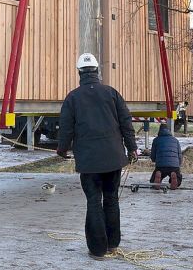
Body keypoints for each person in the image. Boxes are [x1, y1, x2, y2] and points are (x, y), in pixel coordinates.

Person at [57, 53, 139, 261]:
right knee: (111, 199)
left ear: (79, 73)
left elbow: (66, 128)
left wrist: (62, 149)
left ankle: (97, 250)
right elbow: (126, 123)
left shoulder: (72, 97)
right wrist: (132, 148)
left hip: (89, 161)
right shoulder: (111, 93)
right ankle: (112, 244)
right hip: (113, 158)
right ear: (97, 72)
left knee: (94, 201)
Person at [150, 122, 183, 190]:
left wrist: (153, 160)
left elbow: (153, 153)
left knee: (152, 181)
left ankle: (157, 177)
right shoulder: (175, 140)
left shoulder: (156, 140)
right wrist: (178, 163)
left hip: (161, 166)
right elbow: (179, 154)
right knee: (178, 179)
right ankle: (174, 180)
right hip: (174, 166)